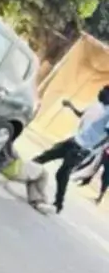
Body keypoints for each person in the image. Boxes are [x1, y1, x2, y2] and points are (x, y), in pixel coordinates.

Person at [34, 85, 109, 213]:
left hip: (82, 148)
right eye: (102, 89)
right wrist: (71, 106)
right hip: (74, 140)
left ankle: (58, 205)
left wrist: (91, 150)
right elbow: (82, 114)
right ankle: (21, 172)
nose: (100, 92)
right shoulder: (95, 105)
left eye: (105, 92)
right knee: (45, 156)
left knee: (62, 173)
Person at [0, 136, 55, 213]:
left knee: (35, 174)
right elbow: (10, 151)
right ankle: (40, 201)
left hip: (6, 164)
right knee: (43, 173)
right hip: (10, 166)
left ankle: (38, 202)